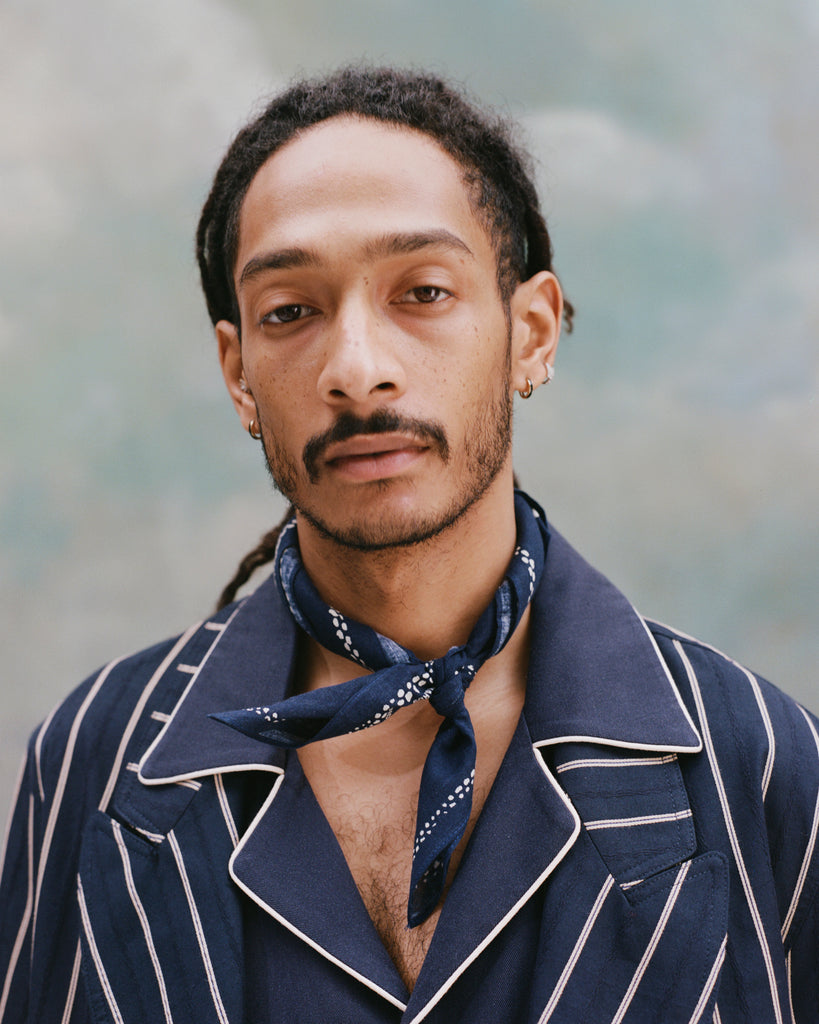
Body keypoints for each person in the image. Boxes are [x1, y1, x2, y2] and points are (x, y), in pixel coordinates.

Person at [0, 66, 816, 1024]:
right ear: (238, 374)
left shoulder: (756, 760)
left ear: (531, 332)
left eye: (422, 291)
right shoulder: (95, 757)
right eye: (290, 312)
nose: (355, 369)